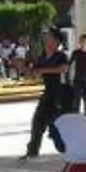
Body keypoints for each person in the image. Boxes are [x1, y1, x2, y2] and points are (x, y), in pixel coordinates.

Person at [19, 31, 70, 161]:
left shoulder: (61, 56)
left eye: (49, 38)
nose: (47, 41)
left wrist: (41, 70)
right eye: (46, 39)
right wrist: (24, 69)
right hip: (48, 93)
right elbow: (33, 74)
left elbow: (63, 69)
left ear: (57, 41)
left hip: (61, 93)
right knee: (37, 122)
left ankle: (68, 150)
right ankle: (32, 151)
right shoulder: (42, 57)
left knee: (58, 125)